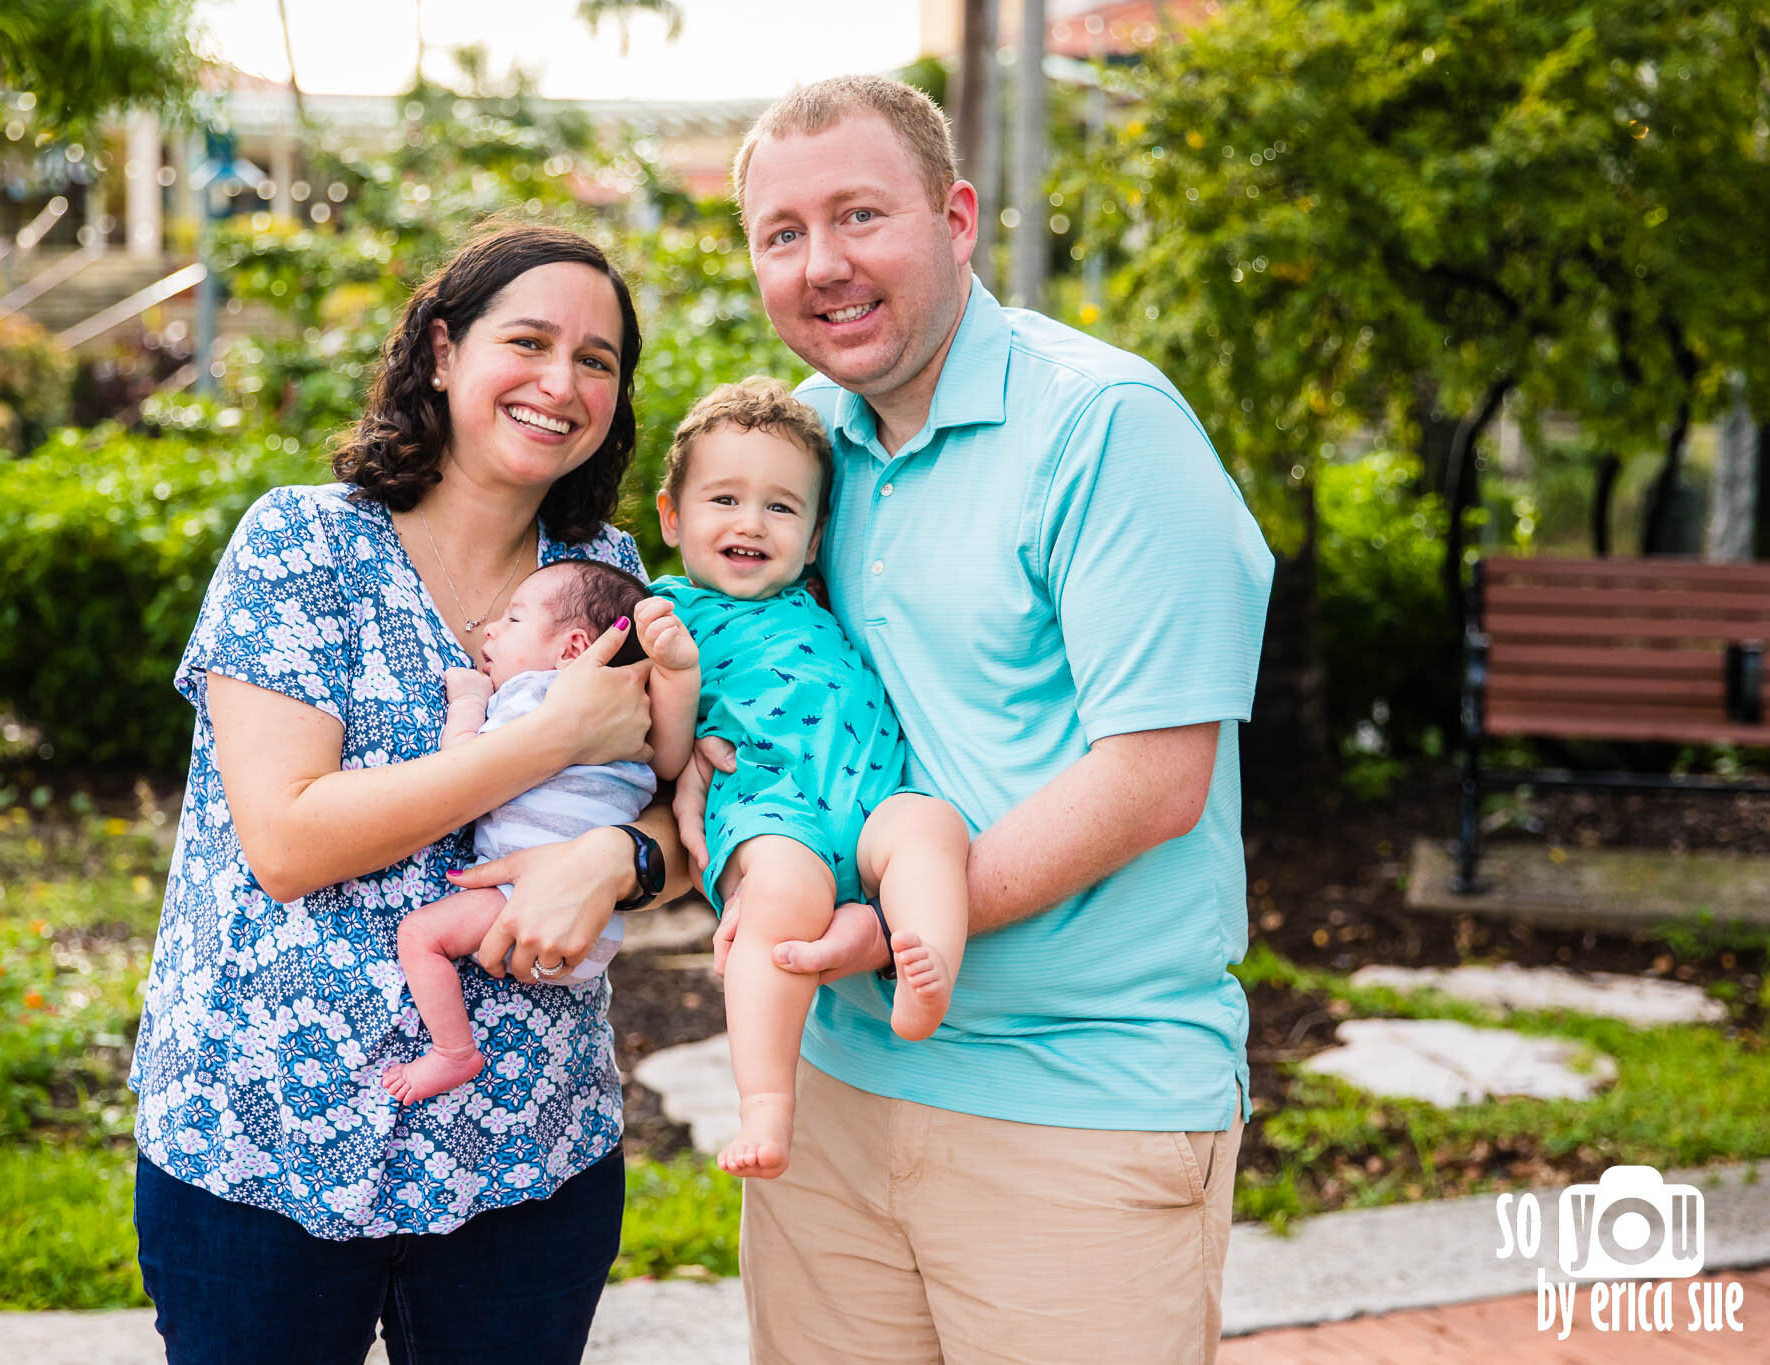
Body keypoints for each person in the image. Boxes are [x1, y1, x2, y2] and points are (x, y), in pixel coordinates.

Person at [678, 77, 1276, 1363]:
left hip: (1079, 1109)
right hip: (836, 1097)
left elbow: (1153, 779)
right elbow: (769, 699)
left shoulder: (1105, 429)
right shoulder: (807, 460)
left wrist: (892, 924)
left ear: (955, 218)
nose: (821, 264)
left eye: (857, 216)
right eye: (781, 233)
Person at [129, 224, 690, 1365]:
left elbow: (688, 818)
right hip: (264, 1141)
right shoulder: (299, 545)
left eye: (596, 359)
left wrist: (622, 859)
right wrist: (548, 743)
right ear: (441, 351)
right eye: (526, 341)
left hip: (526, 1148)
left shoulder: (609, 579)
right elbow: (286, 841)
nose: (560, 382)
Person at [634, 377, 969, 1179]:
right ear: (672, 515)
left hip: (873, 798)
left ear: (816, 537)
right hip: (770, 809)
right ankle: (764, 1105)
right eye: (724, 499)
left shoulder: (815, 594)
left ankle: (924, 965)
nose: (751, 522)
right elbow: (667, 758)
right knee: (777, 904)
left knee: (933, 829)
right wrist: (675, 674)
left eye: (781, 508)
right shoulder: (667, 612)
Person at [382, 558, 655, 1105]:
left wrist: (467, 700)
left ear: (573, 650)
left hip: (527, 901)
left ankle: (453, 1052)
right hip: (593, 916)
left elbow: (464, 765)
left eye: (513, 619)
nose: (491, 630)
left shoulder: (535, 696)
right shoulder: (629, 711)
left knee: (419, 936)